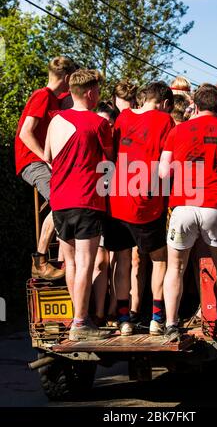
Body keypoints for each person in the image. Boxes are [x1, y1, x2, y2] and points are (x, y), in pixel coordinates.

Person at [159, 83, 217, 340]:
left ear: (195, 107)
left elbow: (164, 173)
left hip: (183, 206)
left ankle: (171, 325)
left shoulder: (178, 131)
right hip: (216, 206)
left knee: (175, 268)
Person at [44, 69, 114, 341]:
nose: (98, 95)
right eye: (97, 90)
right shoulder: (98, 123)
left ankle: (78, 317)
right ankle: (81, 322)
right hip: (86, 199)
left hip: (59, 201)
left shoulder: (55, 121)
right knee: (86, 263)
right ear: (89, 92)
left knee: (70, 262)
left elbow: (48, 156)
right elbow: (110, 161)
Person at [105, 81, 174, 336]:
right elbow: (167, 169)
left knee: (121, 261)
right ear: (166, 104)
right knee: (159, 260)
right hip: (146, 204)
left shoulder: (122, 117)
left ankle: (124, 320)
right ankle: (157, 318)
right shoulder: (165, 122)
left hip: (116, 199)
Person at [15, 56, 77, 279]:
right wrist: (46, 158)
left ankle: (62, 258)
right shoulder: (42, 96)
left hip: (43, 160)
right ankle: (40, 261)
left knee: (66, 200)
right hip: (32, 161)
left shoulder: (56, 98)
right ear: (68, 77)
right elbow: (25, 132)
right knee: (60, 200)